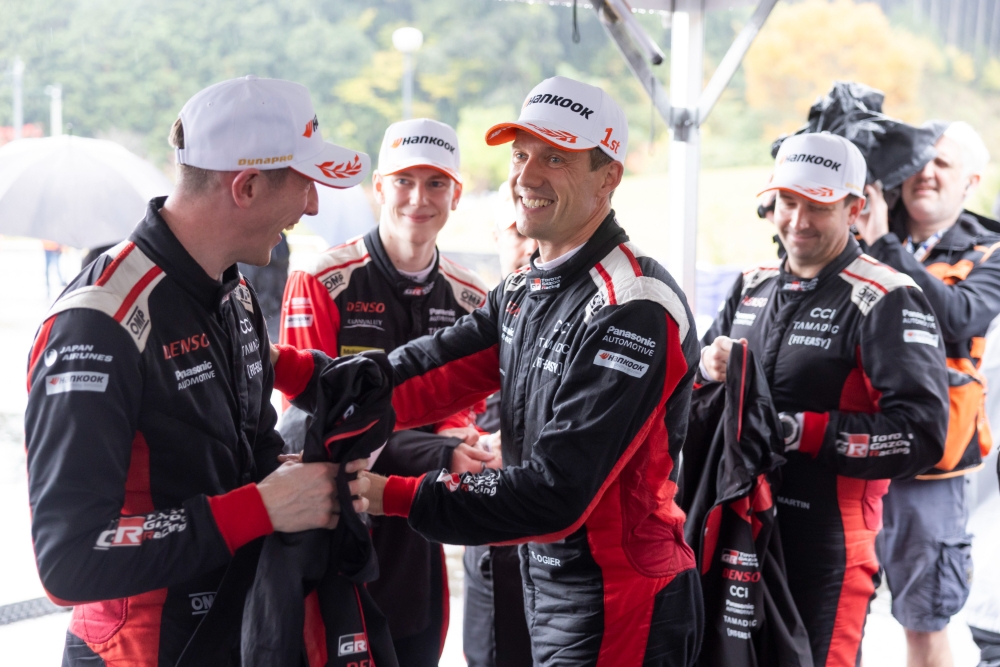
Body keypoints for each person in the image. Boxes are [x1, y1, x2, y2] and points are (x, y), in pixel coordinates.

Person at [338, 75, 705, 666]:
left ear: (608, 176)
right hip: (550, 582)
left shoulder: (634, 305)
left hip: (621, 598)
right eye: (520, 155)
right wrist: (299, 377)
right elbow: (428, 370)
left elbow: (556, 492)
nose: (526, 177)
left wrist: (392, 495)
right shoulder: (528, 286)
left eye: (555, 159)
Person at [23, 75, 372, 666]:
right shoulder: (98, 323)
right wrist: (262, 507)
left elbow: (250, 449)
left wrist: (305, 481)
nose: (312, 204)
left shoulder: (232, 292)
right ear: (248, 187)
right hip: (135, 651)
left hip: (235, 629)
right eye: (305, 182)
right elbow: (69, 561)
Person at [699, 132, 949, 667]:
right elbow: (686, 400)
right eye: (788, 202)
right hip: (740, 530)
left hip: (827, 546)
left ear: (855, 209)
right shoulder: (751, 287)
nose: (798, 220)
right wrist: (705, 369)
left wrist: (800, 431)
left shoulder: (887, 297)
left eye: (818, 206)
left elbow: (923, 435)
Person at [275, 117, 495, 666]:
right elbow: (313, 423)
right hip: (332, 520)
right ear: (378, 187)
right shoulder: (322, 279)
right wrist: (438, 450)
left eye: (436, 183)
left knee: (417, 647)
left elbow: (466, 413)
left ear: (456, 194)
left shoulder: (473, 297)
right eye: (403, 181)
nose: (419, 199)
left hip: (417, 523)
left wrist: (458, 438)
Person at [856, 120, 1000, 667]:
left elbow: (958, 315)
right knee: (832, 609)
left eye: (943, 163)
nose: (927, 172)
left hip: (931, 467)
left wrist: (882, 245)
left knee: (923, 621)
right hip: (848, 445)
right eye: (918, 161)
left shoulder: (990, 250)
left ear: (972, 181)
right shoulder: (861, 223)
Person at [462, 182, 536, 667]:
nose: (529, 246)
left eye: (536, 233)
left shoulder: (589, 313)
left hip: (553, 529)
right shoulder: (477, 313)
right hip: (487, 525)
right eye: (517, 232)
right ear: (495, 236)